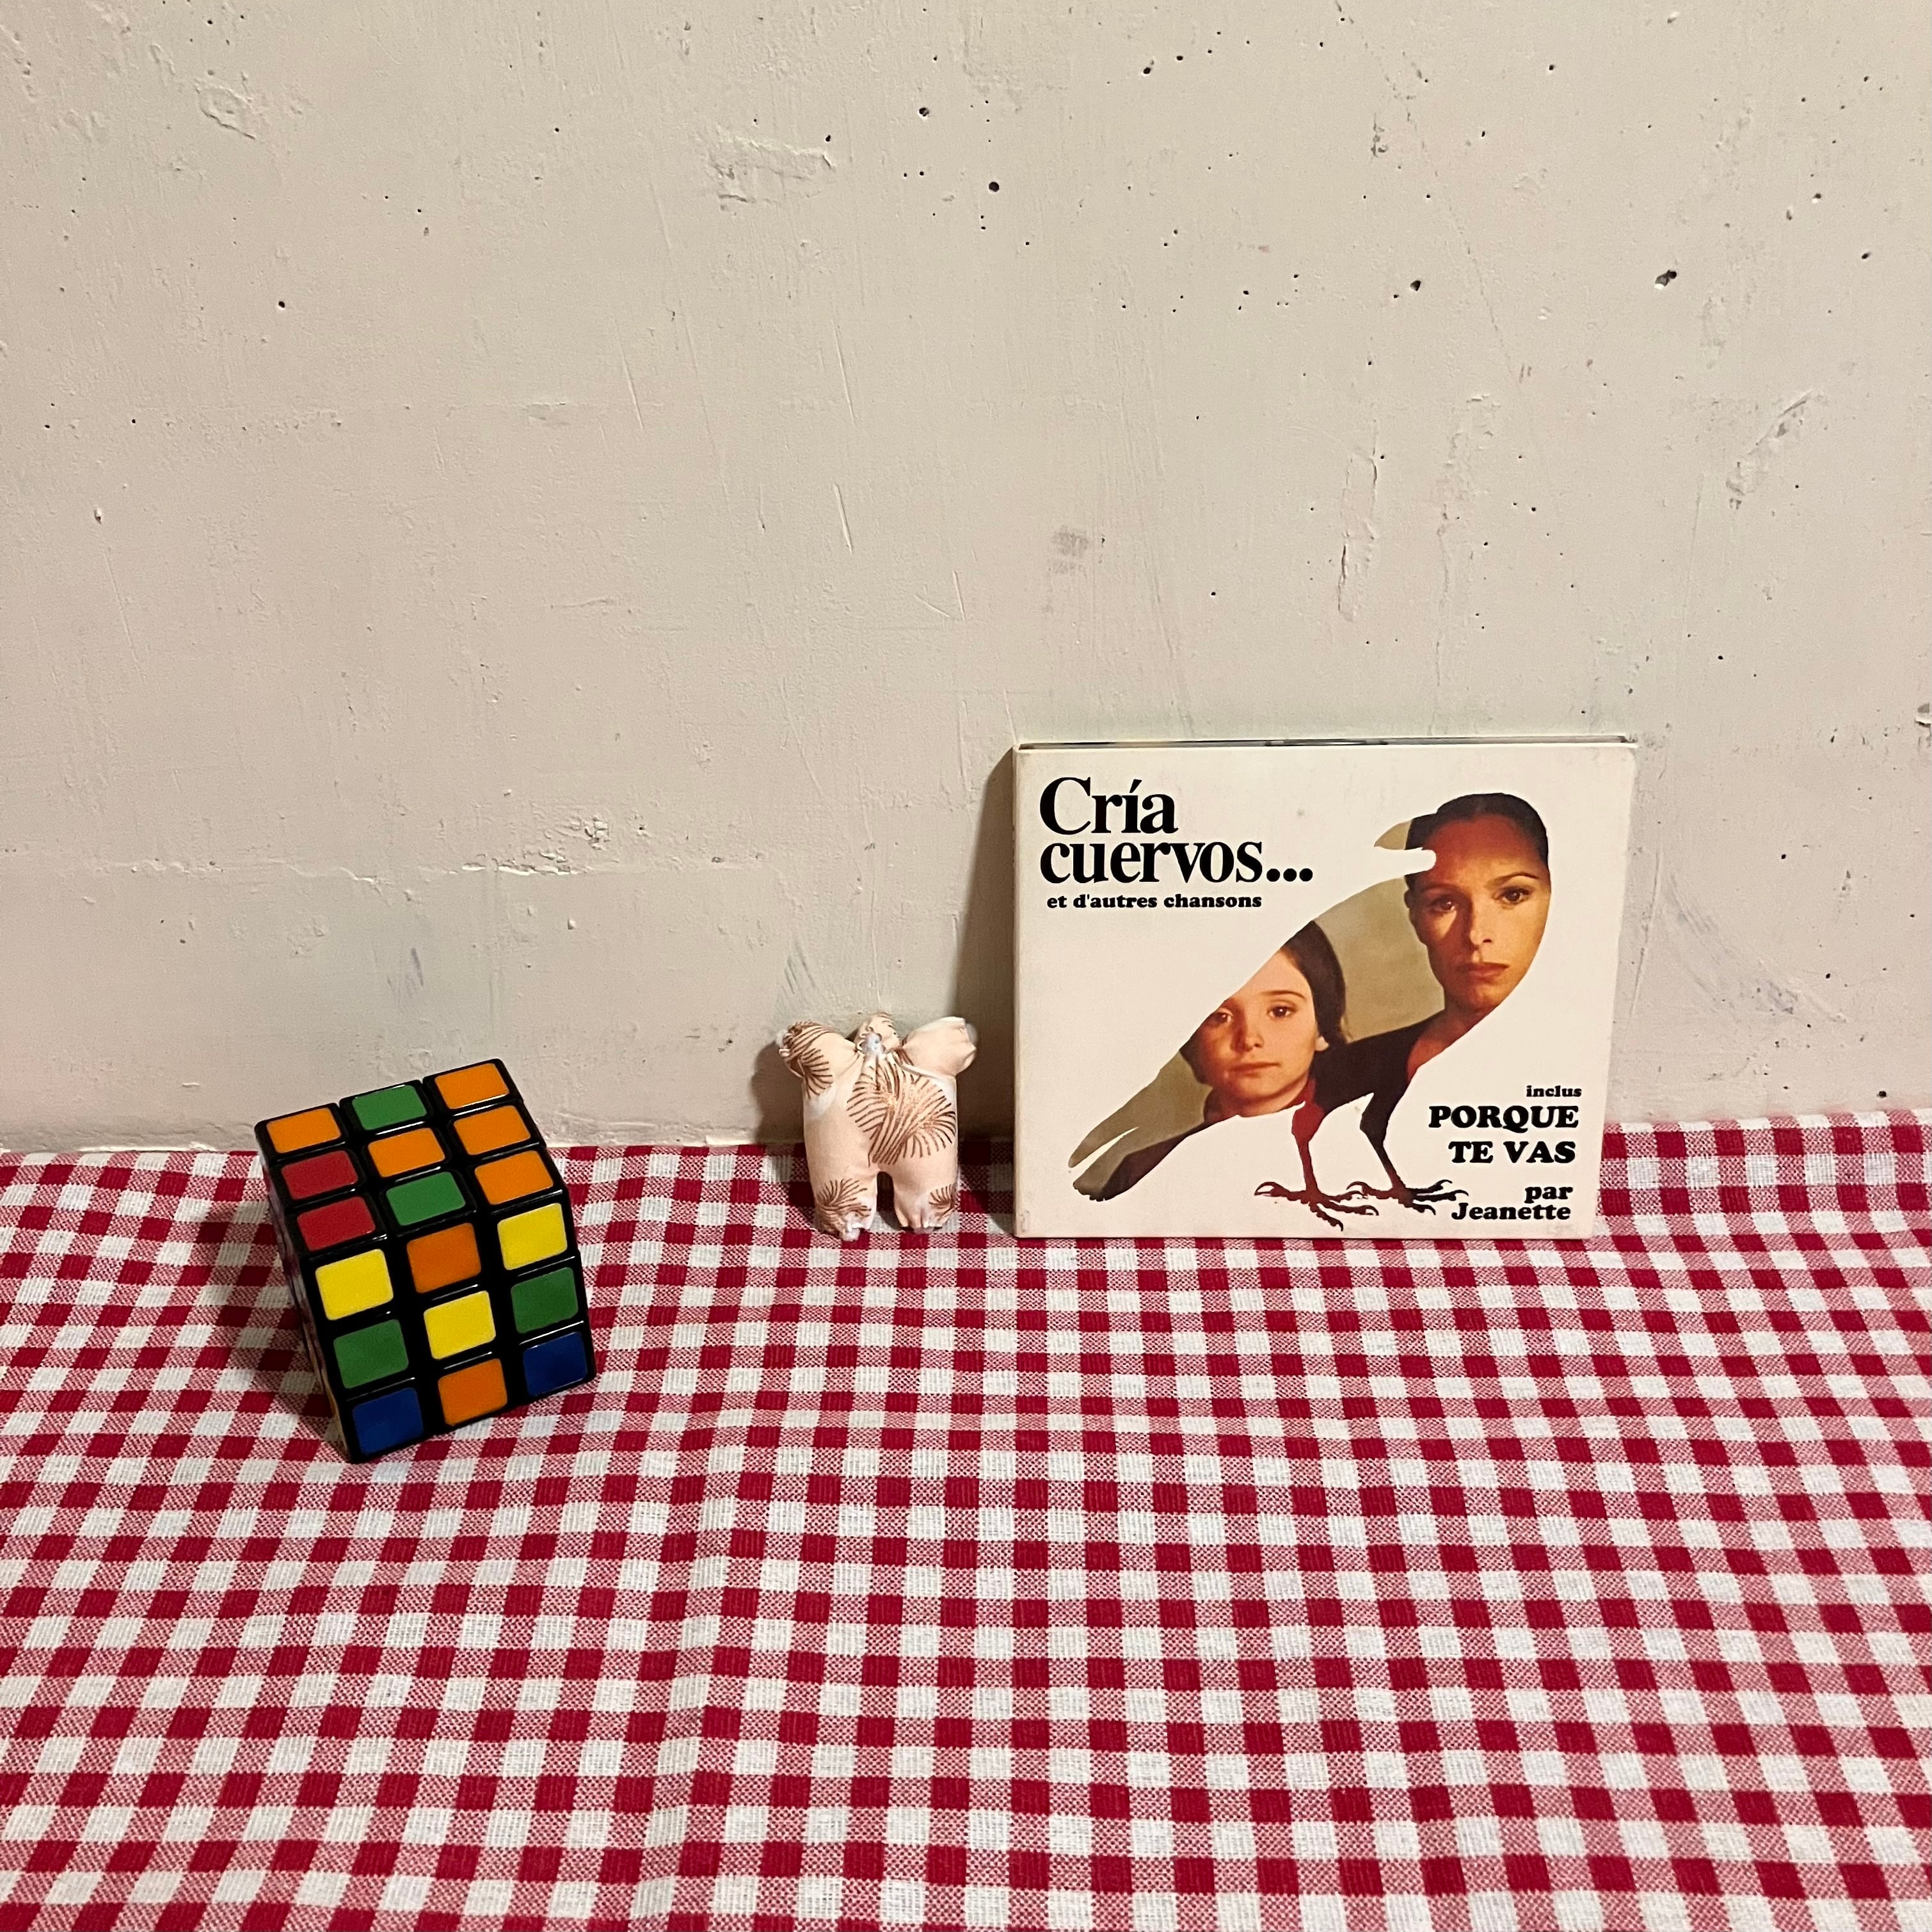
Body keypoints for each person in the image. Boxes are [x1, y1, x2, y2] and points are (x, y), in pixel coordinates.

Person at [1311, 791, 1551, 1209]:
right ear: (1415, 915)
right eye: (1444, 902)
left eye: (1512, 895)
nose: (1476, 934)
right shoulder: (1338, 1076)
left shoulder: (1587, 1069)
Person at [1096, 923, 1351, 1213]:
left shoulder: (1371, 1157)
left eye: (1280, 1011)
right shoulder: (1144, 1174)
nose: (1249, 1039)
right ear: (1191, 1041)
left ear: (1322, 1028)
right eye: (1220, 1017)